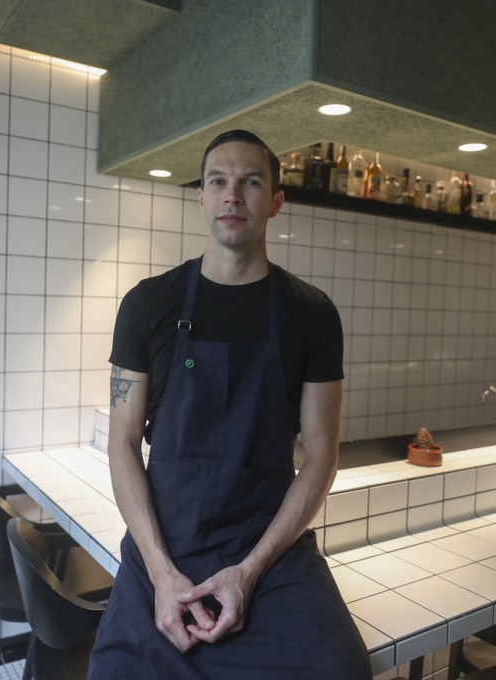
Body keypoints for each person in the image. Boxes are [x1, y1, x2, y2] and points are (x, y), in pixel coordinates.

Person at [88, 130, 371, 678]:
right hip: (164, 544)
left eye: (251, 183)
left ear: (276, 202)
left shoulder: (313, 314)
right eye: (218, 181)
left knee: (337, 669)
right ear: (201, 197)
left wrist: (250, 571)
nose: (232, 195)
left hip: (271, 553)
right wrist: (161, 573)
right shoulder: (147, 304)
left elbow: (322, 457)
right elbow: (121, 443)